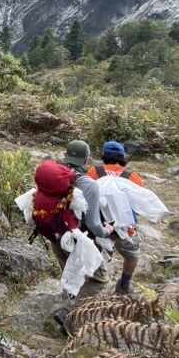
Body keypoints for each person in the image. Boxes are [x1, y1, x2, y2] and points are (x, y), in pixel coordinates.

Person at [49, 139, 113, 334]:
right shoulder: (89, 185)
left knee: (71, 272)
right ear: (86, 160)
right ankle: (67, 312)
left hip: (56, 235)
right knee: (99, 280)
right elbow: (93, 223)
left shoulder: (54, 175)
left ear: (66, 155)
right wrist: (106, 231)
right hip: (79, 240)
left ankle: (68, 325)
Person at [87, 141, 145, 295]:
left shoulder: (93, 171)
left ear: (104, 155)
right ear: (123, 157)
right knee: (132, 255)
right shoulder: (132, 176)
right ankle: (124, 286)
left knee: (93, 254)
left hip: (97, 227)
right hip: (124, 229)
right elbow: (140, 201)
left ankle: (90, 285)